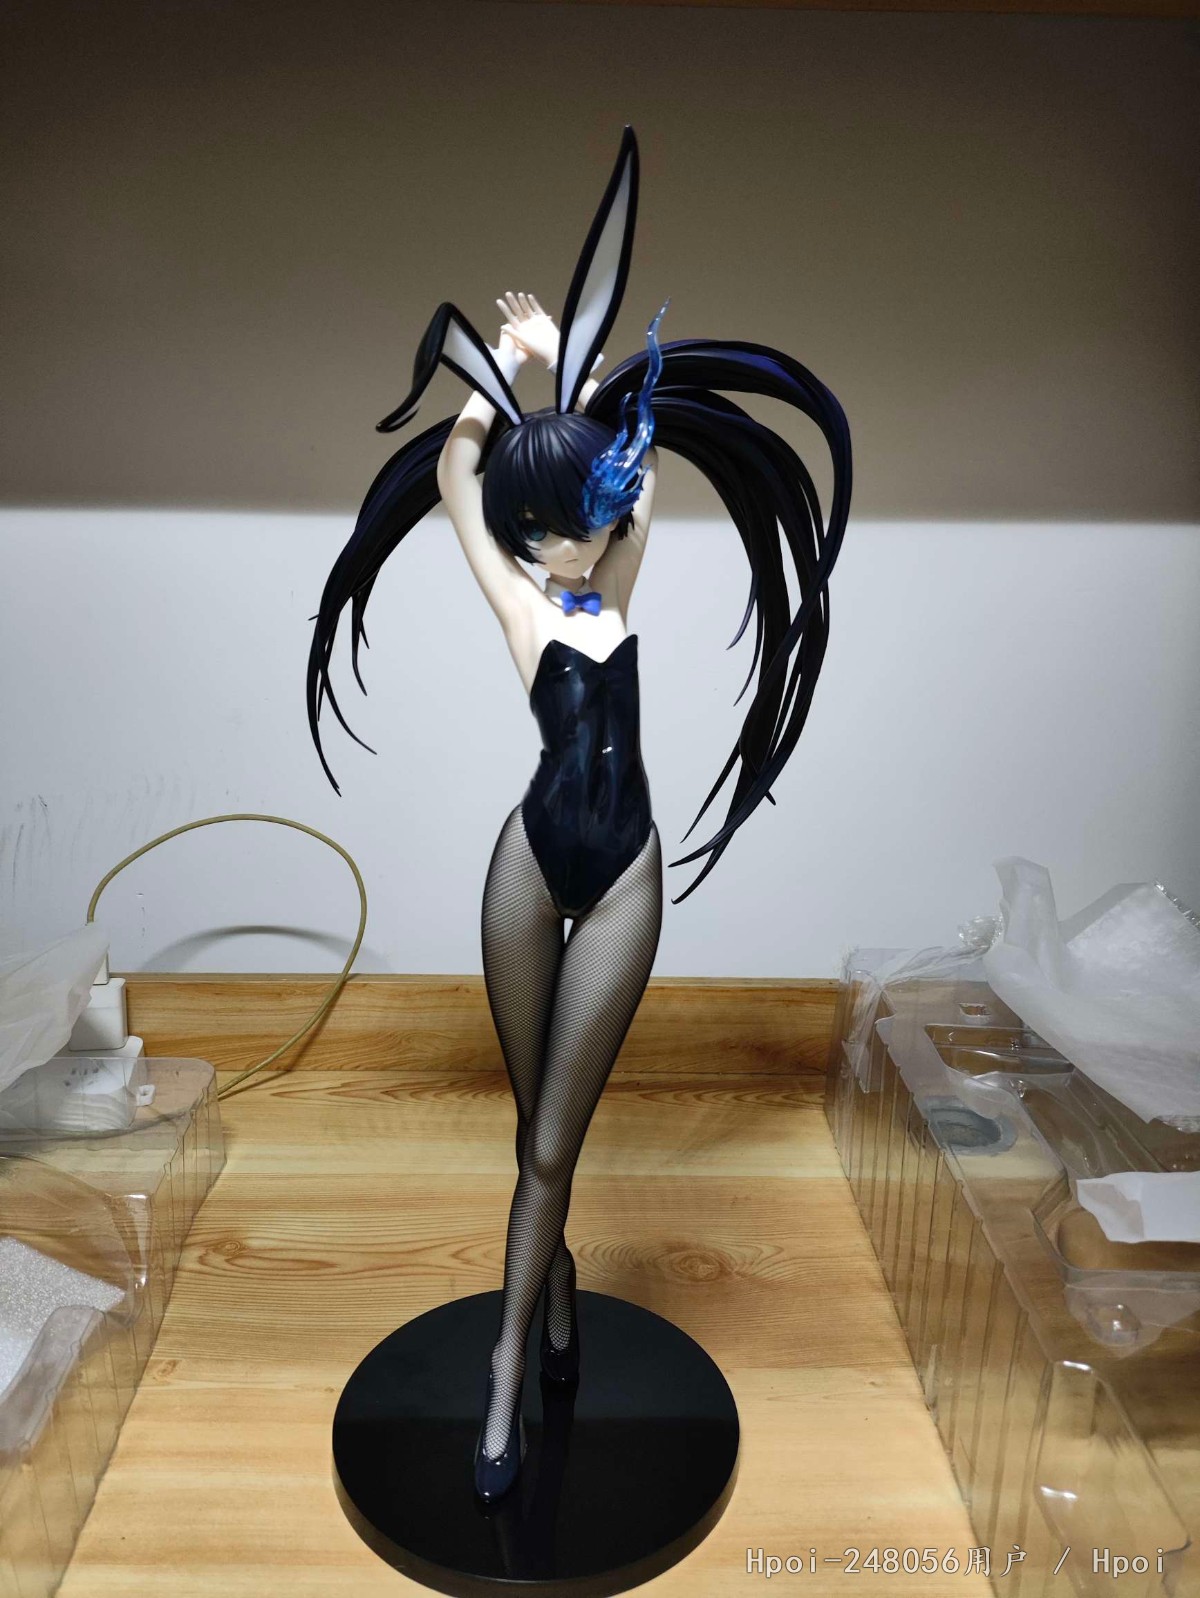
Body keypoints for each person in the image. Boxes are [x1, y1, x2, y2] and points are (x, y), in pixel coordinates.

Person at [306, 127, 852, 1501]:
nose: (579, 538)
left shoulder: (618, 582)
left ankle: (514, 1351)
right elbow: (454, 479)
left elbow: (642, 469)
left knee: (556, 1137)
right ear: (528, 527)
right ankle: (533, 1325)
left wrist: (571, 386)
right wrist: (509, 384)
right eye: (556, 522)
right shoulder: (521, 602)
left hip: (624, 873)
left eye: (590, 517)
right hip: (530, 857)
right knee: (527, 1129)